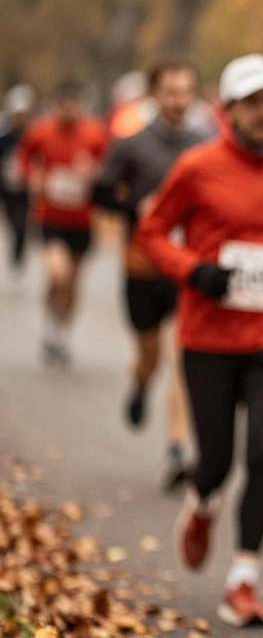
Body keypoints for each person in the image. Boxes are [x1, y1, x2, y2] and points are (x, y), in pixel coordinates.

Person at [136, 54, 263, 628]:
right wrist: (193, 271)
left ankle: (244, 578)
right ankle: (202, 504)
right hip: (208, 338)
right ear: (228, 111)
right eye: (251, 103)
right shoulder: (196, 167)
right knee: (215, 462)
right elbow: (151, 232)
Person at [94, 56, 210, 490]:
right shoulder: (131, 144)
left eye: (186, 91)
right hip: (142, 266)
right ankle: (140, 383)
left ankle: (177, 448)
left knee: (183, 358)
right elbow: (101, 193)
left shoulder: (205, 144)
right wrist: (135, 210)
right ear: (154, 95)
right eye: (171, 91)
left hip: (187, 268)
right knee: (150, 356)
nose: (179, 100)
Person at [19, 80, 110, 367]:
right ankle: (50, 324)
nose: (71, 110)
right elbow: (24, 158)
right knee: (59, 274)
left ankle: (61, 334)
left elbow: (110, 167)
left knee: (73, 281)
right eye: (65, 105)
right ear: (58, 106)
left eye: (76, 105)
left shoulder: (95, 133)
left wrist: (93, 170)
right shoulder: (41, 131)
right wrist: (32, 177)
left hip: (82, 220)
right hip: (50, 216)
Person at [0, 84, 35, 283]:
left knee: (22, 224)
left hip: (25, 186)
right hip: (6, 186)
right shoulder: (4, 137)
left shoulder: (32, 135)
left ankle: (18, 253)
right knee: (11, 221)